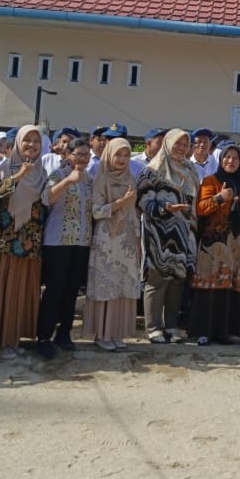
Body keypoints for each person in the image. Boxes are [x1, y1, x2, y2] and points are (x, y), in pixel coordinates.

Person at [0, 125, 48, 360]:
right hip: (7, 243)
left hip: (31, 243)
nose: (31, 145)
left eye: (36, 141)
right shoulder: (3, 168)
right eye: (27, 140)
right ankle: (1, 341)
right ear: (18, 143)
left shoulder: (42, 173)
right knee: (6, 293)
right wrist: (18, 176)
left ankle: (15, 338)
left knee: (23, 294)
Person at [191, 141, 240, 345]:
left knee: (229, 288)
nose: (231, 161)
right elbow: (201, 208)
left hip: (235, 245)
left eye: (236, 158)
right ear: (220, 160)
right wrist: (220, 198)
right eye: (227, 157)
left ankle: (225, 332)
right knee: (208, 288)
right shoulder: (211, 181)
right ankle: (204, 331)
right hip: (212, 244)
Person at [137, 129, 198, 344]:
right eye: (177, 143)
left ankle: (171, 326)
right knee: (157, 279)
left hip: (183, 234)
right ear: (167, 144)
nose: (181, 148)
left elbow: (194, 204)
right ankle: (154, 327)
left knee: (177, 280)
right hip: (158, 234)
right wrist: (165, 209)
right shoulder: (152, 171)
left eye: (185, 144)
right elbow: (144, 203)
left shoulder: (190, 170)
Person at [37, 137, 94, 359]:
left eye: (86, 155)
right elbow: (47, 198)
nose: (82, 159)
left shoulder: (89, 179)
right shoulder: (58, 174)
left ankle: (64, 332)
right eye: (78, 154)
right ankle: (43, 336)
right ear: (67, 154)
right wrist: (69, 180)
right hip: (58, 241)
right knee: (54, 290)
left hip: (81, 241)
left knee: (71, 290)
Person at [85, 137, 140, 351]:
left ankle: (116, 332)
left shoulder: (130, 179)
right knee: (105, 285)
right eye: (118, 154)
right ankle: (102, 333)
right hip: (106, 240)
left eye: (127, 155)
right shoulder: (101, 179)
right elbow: (97, 211)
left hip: (125, 241)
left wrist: (137, 239)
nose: (122, 159)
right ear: (109, 154)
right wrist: (120, 203)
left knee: (121, 285)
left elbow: (133, 213)